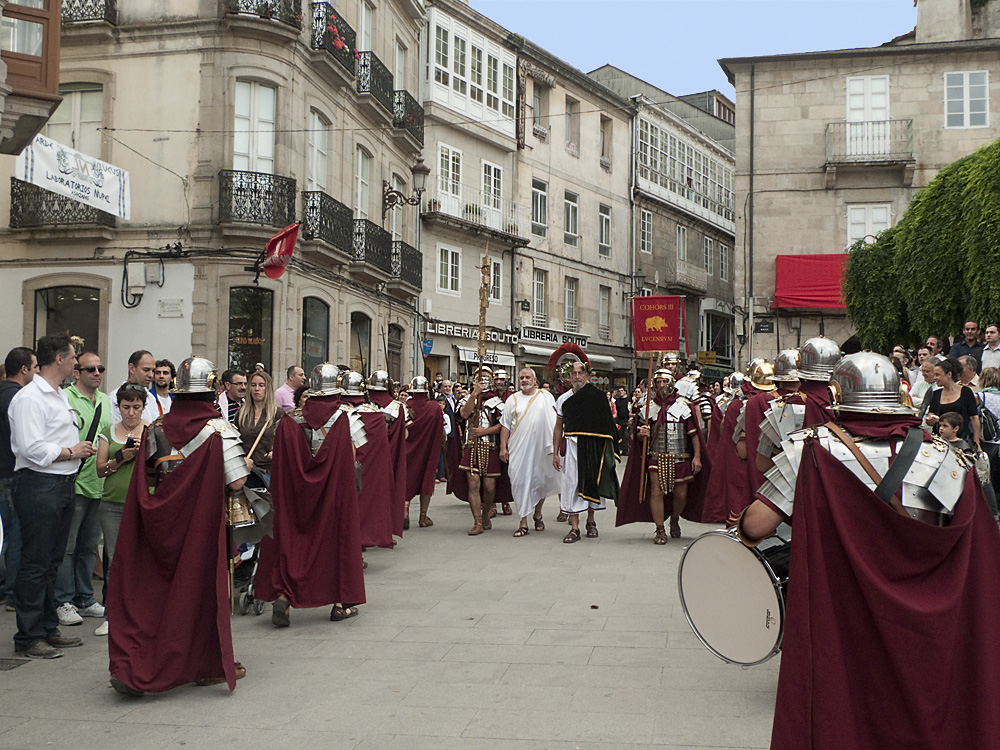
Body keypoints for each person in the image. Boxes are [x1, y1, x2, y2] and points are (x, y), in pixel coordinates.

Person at [736, 352, 1000, 749]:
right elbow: (969, 545)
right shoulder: (944, 456)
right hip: (927, 626)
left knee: (849, 712)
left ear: (837, 395)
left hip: (844, 617)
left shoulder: (808, 450)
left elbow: (755, 527)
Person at [107, 356, 249, 695]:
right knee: (198, 593)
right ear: (211, 391)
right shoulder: (220, 430)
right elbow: (238, 483)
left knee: (155, 591)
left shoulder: (155, 427)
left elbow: (149, 475)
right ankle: (202, 664)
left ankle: (142, 659)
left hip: (160, 522)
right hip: (200, 526)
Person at [254, 364, 365, 628]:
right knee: (335, 541)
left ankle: (284, 595)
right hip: (333, 496)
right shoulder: (346, 417)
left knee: (292, 542)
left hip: (295, 499)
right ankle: (340, 604)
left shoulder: (290, 420)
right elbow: (354, 455)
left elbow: (281, 464)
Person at [8, 335, 95, 659]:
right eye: (73, 357)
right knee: (35, 562)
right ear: (58, 359)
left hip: (61, 483)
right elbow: (31, 447)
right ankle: (28, 637)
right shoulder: (31, 397)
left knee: (50, 562)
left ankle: (46, 627)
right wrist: (70, 450)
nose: (77, 363)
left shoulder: (58, 395)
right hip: (38, 484)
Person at [617, 369, 706, 544]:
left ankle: (674, 518)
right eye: (658, 382)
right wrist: (642, 434)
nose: (662, 385)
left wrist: (697, 457)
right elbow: (637, 436)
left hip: (680, 455)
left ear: (672, 383)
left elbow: (694, 434)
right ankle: (660, 529)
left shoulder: (683, 406)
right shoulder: (648, 408)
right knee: (656, 491)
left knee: (681, 494)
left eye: (665, 381)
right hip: (656, 455)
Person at [55, 351, 111, 627]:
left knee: (89, 545)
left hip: (98, 484)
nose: (97, 373)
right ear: (77, 373)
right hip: (73, 481)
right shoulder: (65, 398)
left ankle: (85, 598)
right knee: (67, 545)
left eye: (100, 368)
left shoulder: (105, 401)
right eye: (91, 369)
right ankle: (64, 599)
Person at [93, 384, 150, 637]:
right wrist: (122, 458)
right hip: (113, 502)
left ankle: (140, 611)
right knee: (114, 559)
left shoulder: (150, 430)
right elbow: (100, 470)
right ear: (119, 407)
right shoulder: (108, 432)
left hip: (142, 501)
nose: (131, 413)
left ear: (142, 407)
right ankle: (112, 613)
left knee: (142, 557)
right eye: (126, 407)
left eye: (136, 407)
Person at [551, 353, 619, 543]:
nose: (577, 376)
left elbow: (607, 424)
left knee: (591, 483)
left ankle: (591, 521)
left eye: (581, 373)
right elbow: (558, 427)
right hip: (572, 446)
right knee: (571, 485)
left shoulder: (597, 397)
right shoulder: (563, 399)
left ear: (588, 376)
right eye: (574, 373)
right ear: (568, 377)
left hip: (593, 446)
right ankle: (574, 528)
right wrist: (555, 452)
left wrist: (608, 448)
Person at [499, 368, 561, 537]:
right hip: (518, 448)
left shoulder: (545, 397)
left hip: (540, 448)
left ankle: (537, 514)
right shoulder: (512, 400)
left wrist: (554, 447)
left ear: (535, 380)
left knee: (539, 482)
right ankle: (523, 520)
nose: (524, 380)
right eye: (522, 377)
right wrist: (503, 447)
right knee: (519, 482)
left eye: (527, 377)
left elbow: (555, 421)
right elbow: (505, 425)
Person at [0, 347, 36, 612]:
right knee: (17, 535)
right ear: (24, 369)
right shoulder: (18, 398)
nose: (37, 372)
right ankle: (12, 593)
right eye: (35, 367)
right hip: (11, 472)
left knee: (7, 535)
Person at [457, 367, 505, 535]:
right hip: (471, 446)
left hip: (490, 446)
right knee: (474, 484)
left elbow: (503, 425)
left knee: (490, 487)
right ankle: (477, 521)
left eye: (485, 379)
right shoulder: (467, 399)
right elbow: (464, 414)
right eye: (479, 379)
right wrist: (473, 395)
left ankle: (485, 514)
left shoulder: (496, 401)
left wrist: (485, 432)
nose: (482, 382)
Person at [404, 376, 445, 530]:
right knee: (426, 478)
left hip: (407, 451)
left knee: (406, 478)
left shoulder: (403, 407)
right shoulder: (434, 408)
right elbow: (441, 432)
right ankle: (423, 516)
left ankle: (405, 510)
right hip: (428, 451)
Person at [234, 368, 284, 479]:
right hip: (245, 470)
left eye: (261, 385)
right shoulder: (241, 414)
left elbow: (285, 441)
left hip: (268, 470)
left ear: (268, 388)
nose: (257, 389)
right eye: (253, 385)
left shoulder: (277, 413)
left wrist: (275, 451)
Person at [926, 356, 981, 450]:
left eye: (938, 375)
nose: (935, 378)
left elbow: (974, 417)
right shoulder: (936, 394)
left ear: (949, 374)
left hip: (962, 441)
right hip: (940, 442)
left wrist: (977, 442)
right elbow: (932, 414)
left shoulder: (966, 392)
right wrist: (930, 419)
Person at [111, 350, 158, 424]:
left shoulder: (151, 398)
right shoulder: (114, 398)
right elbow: (115, 429)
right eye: (146, 370)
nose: (151, 375)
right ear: (132, 368)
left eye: (153, 371)